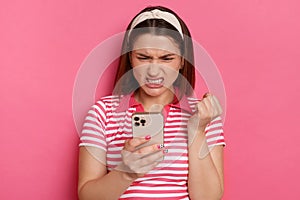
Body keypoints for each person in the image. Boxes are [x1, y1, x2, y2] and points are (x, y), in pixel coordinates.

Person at [78, 5, 225, 200]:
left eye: (166, 58)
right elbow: (87, 196)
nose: (154, 72)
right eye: (143, 57)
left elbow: (208, 198)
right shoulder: (102, 113)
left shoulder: (203, 115)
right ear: (130, 57)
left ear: (182, 60)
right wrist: (126, 173)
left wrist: (197, 131)